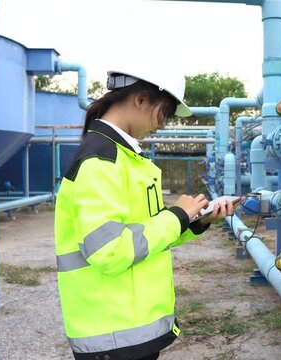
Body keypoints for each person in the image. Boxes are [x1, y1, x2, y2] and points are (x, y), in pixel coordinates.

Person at [54, 68, 234, 360]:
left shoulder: (122, 158)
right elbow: (110, 250)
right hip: (113, 332)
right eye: (163, 114)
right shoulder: (101, 161)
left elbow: (144, 239)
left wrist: (195, 220)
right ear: (140, 100)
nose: (161, 126)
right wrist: (175, 216)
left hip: (127, 328)